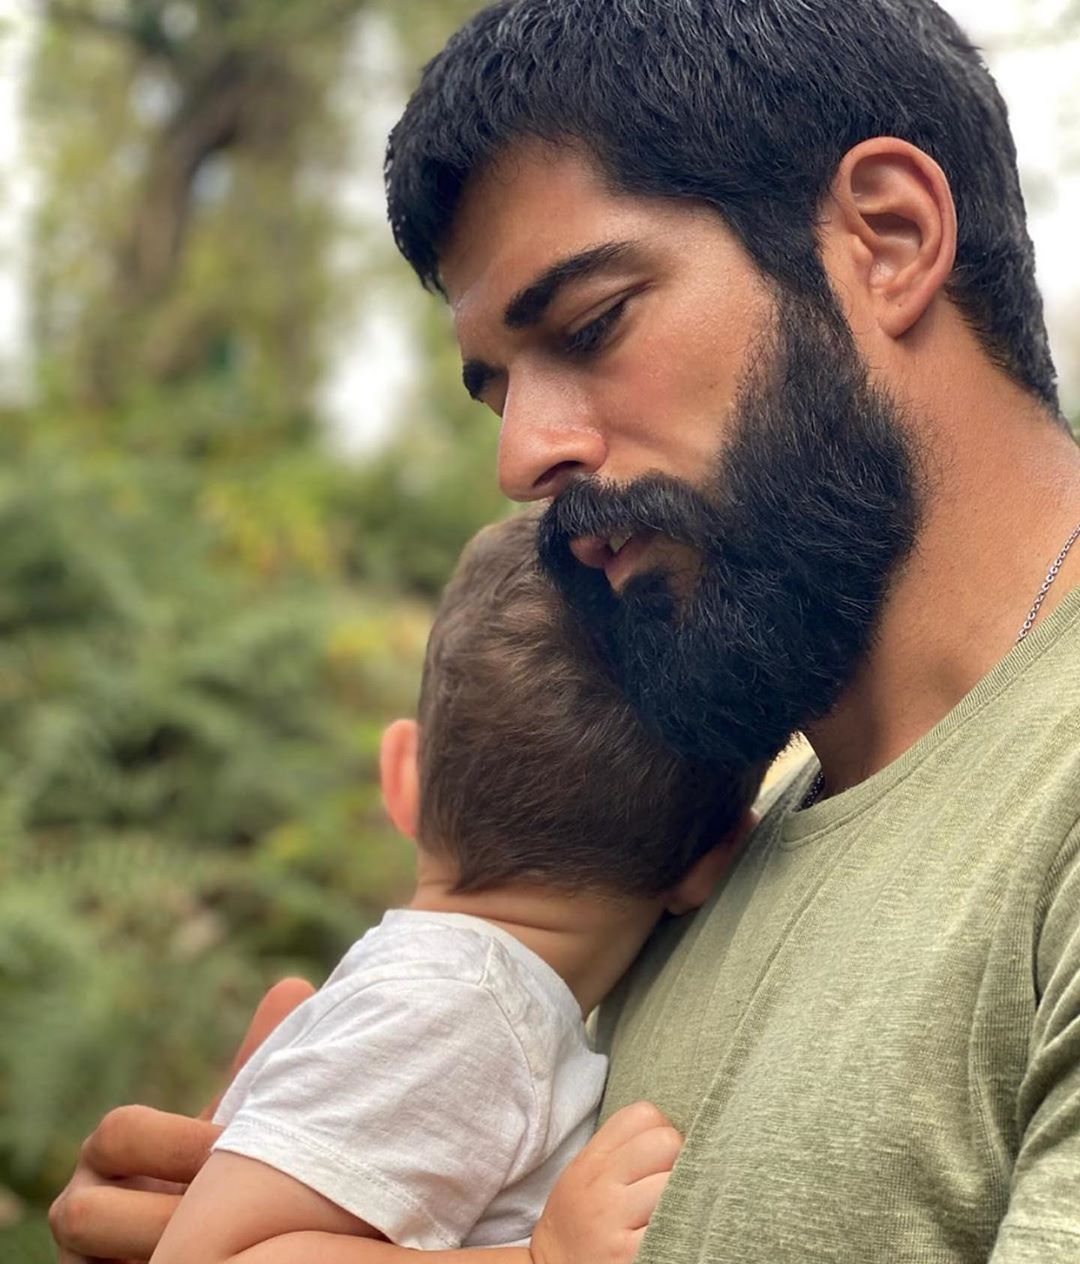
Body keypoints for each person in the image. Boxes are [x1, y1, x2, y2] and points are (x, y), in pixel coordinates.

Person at [51, 0, 1080, 1261]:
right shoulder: (699, 852)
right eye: (495, 389)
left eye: (591, 325)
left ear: (888, 237)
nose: (521, 457)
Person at [141, 512, 759, 1264]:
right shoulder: (462, 1014)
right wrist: (539, 1258)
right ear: (717, 858)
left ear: (402, 777)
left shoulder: (467, 1004)